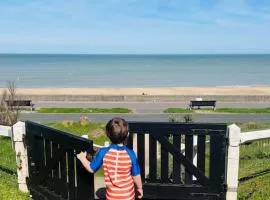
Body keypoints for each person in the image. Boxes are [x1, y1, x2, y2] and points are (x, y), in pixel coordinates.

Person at [77, 117, 143, 200]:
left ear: (108, 134)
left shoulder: (103, 152)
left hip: (111, 196)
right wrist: (139, 188)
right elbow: (136, 175)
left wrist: (83, 158)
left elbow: (91, 168)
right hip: (128, 196)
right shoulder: (130, 154)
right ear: (127, 135)